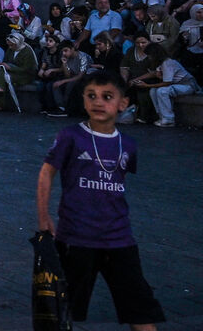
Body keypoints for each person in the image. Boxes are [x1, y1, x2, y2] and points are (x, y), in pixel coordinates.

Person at [35, 70, 165, 330]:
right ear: (83, 100)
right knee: (62, 310)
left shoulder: (127, 145)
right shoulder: (70, 137)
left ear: (122, 103)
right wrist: (44, 216)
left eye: (107, 97)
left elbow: (119, 181)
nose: (98, 102)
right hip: (76, 237)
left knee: (140, 309)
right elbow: (46, 173)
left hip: (119, 237)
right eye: (91, 96)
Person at [143, 56, 199, 128]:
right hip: (175, 85)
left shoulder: (167, 63)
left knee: (162, 91)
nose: (149, 58)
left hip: (187, 85)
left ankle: (168, 119)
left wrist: (147, 85)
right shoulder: (159, 64)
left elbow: (167, 83)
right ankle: (162, 116)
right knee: (153, 91)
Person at [0, 32, 36, 112]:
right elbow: (6, 61)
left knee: (2, 77)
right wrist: (5, 65)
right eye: (9, 45)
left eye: (12, 45)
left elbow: (26, 69)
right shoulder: (10, 50)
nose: (10, 47)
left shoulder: (27, 52)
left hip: (24, 75)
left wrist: (10, 68)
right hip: (11, 71)